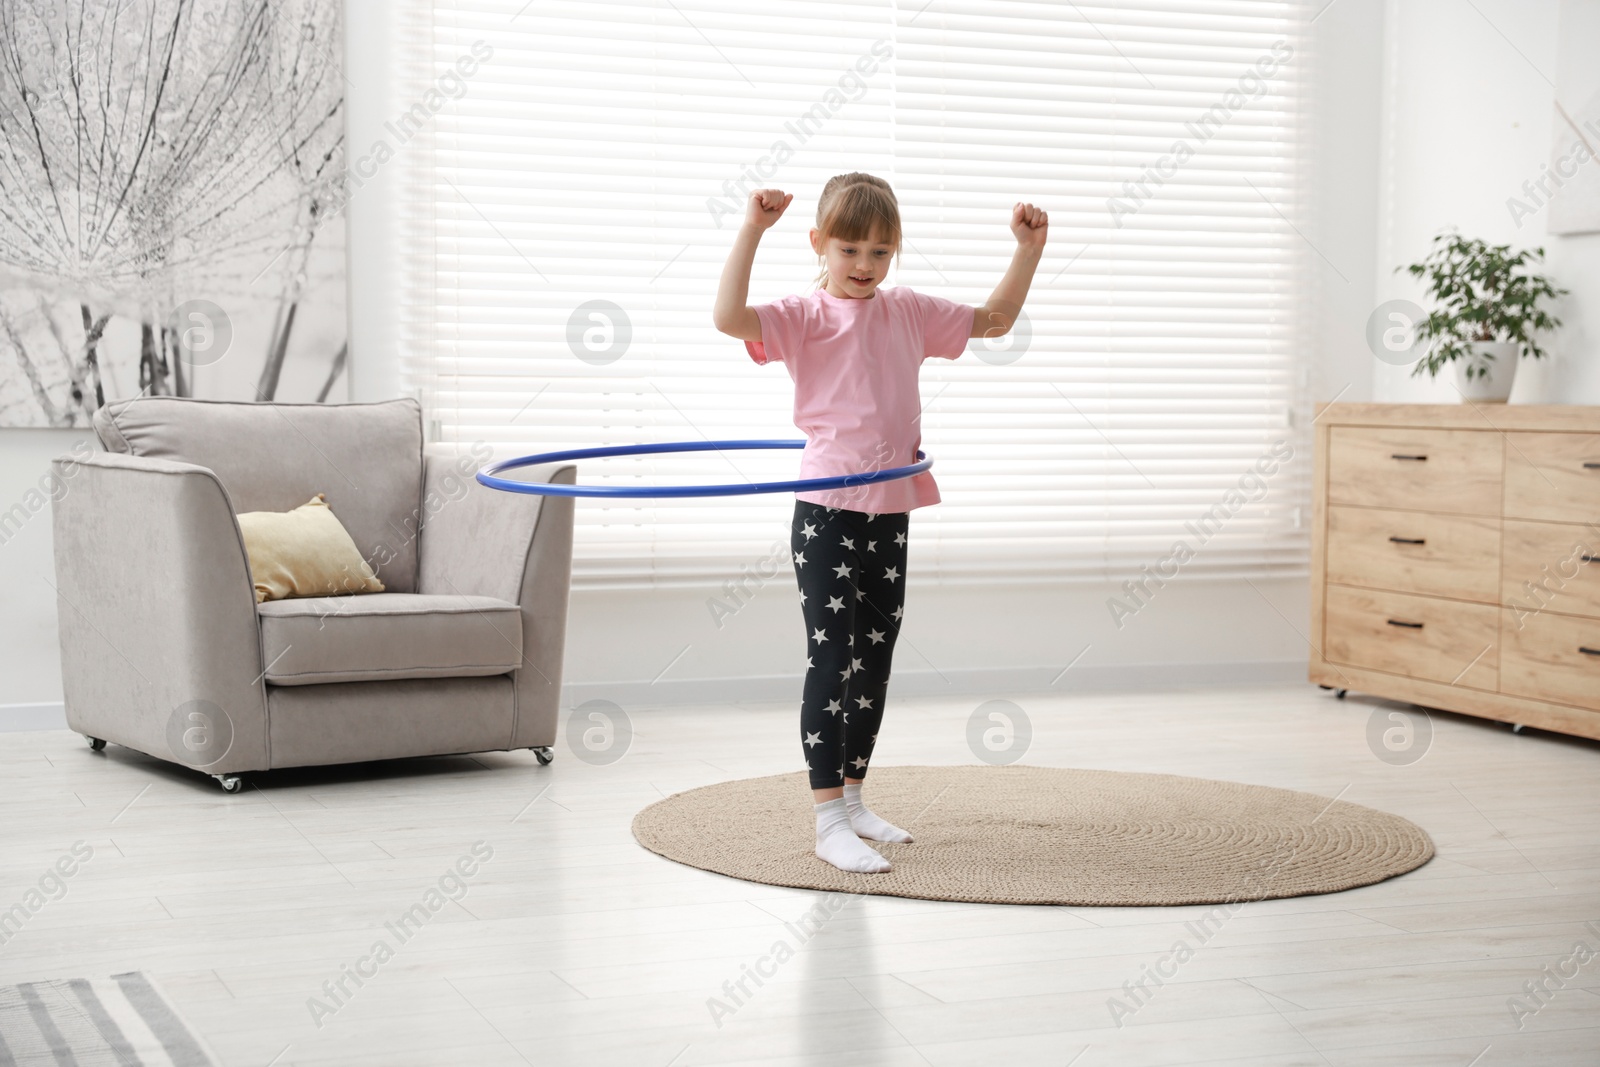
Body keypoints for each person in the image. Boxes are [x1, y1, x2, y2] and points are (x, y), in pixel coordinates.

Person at [712, 172, 1047, 873]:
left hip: (891, 504)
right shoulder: (803, 317)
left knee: (876, 657)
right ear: (819, 245)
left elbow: (996, 320)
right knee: (832, 656)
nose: (865, 266)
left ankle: (856, 797)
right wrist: (751, 230)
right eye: (850, 250)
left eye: (880, 252)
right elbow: (727, 318)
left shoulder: (908, 312)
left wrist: (1028, 249)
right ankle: (826, 815)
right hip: (827, 508)